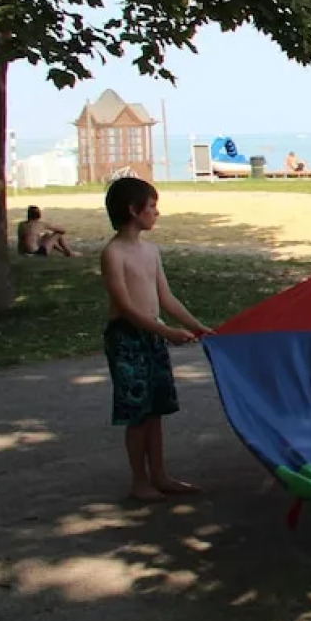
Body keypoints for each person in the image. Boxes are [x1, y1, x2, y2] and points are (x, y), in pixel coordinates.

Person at [101, 177, 213, 502]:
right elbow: (125, 307)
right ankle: (140, 481)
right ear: (132, 210)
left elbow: (166, 298)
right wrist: (167, 333)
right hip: (127, 338)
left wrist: (197, 327)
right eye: (151, 206)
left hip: (153, 335)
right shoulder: (113, 253)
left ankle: (160, 475)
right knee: (137, 412)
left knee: (156, 409)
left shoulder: (151, 251)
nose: (157, 213)